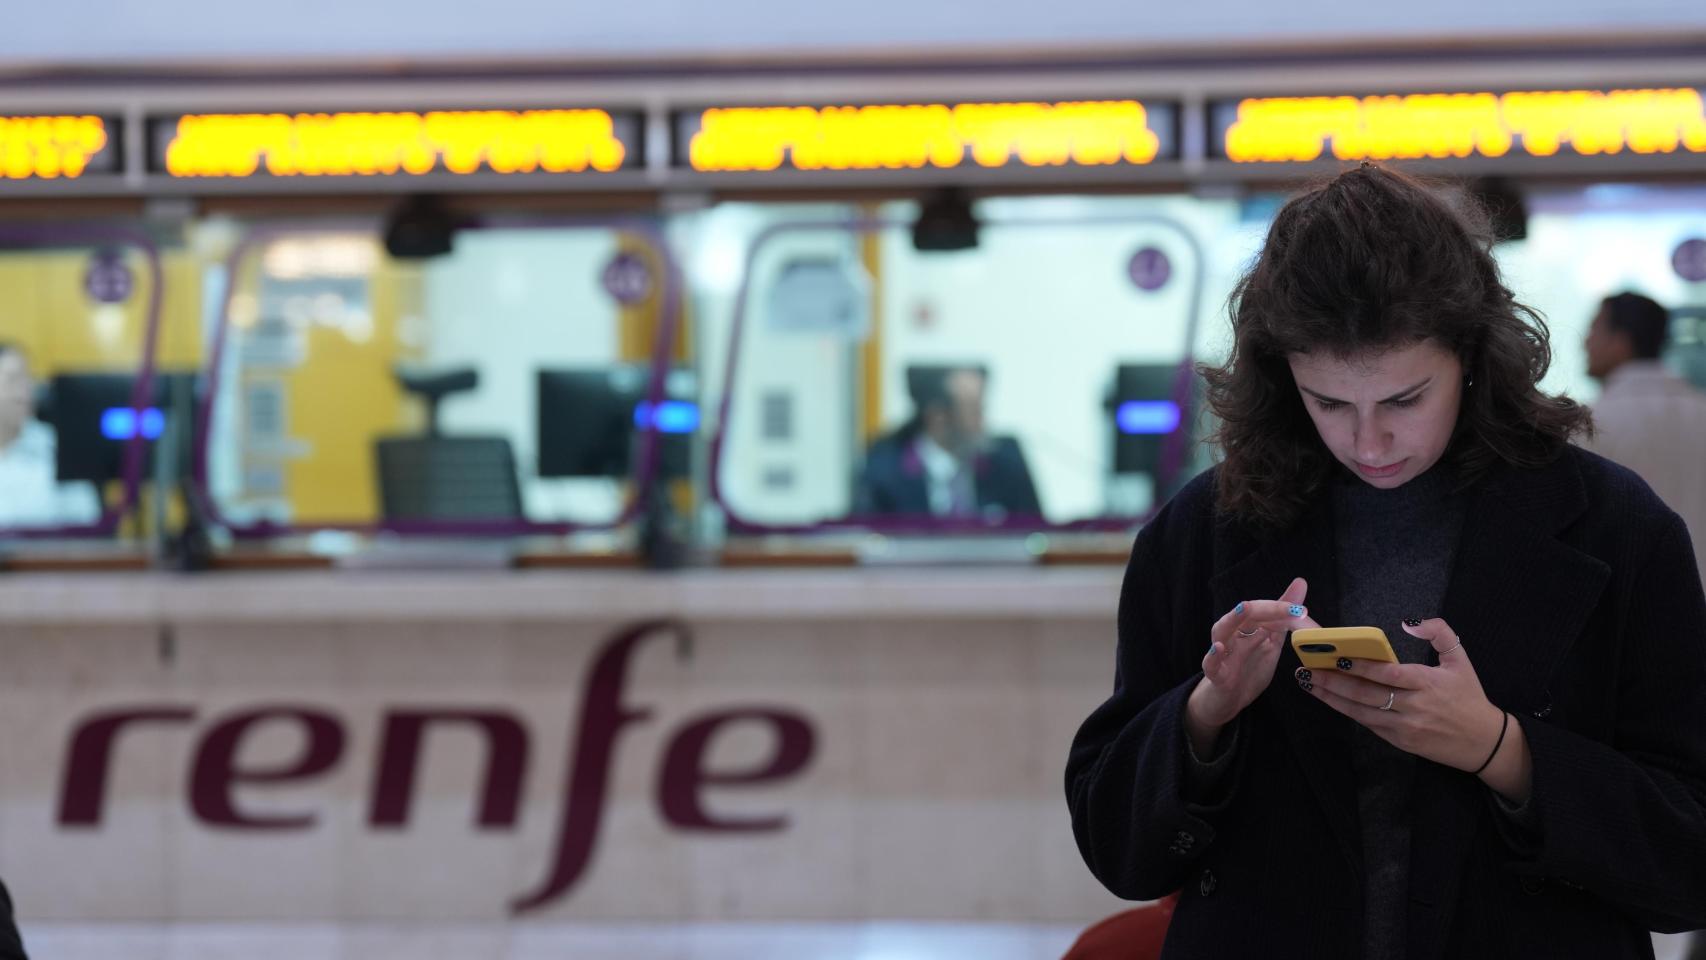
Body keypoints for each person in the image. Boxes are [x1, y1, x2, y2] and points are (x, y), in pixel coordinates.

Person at [1064, 164, 1706, 958]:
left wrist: (1501, 749)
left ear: (1471, 357)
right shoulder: (1205, 529)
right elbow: (1117, 849)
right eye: (1329, 403)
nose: (1368, 443)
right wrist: (1204, 716)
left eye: (1405, 400)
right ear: (1282, 376)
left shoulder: (1617, 527)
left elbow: (1687, 860)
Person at [1580, 292, 1706, 585]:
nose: (1585, 342)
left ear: (1621, 342)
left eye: (1594, 330)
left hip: (1631, 609)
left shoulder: (1590, 423)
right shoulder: (1700, 410)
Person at [853, 364, 1042, 519]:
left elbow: (1036, 533)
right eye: (974, 412)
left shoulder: (1005, 461)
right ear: (937, 417)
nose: (983, 423)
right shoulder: (885, 469)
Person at [0, 343, 101, 529]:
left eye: (28, 380)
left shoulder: (57, 447)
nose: (24, 393)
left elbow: (87, 518)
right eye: (13, 381)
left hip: (49, 555)